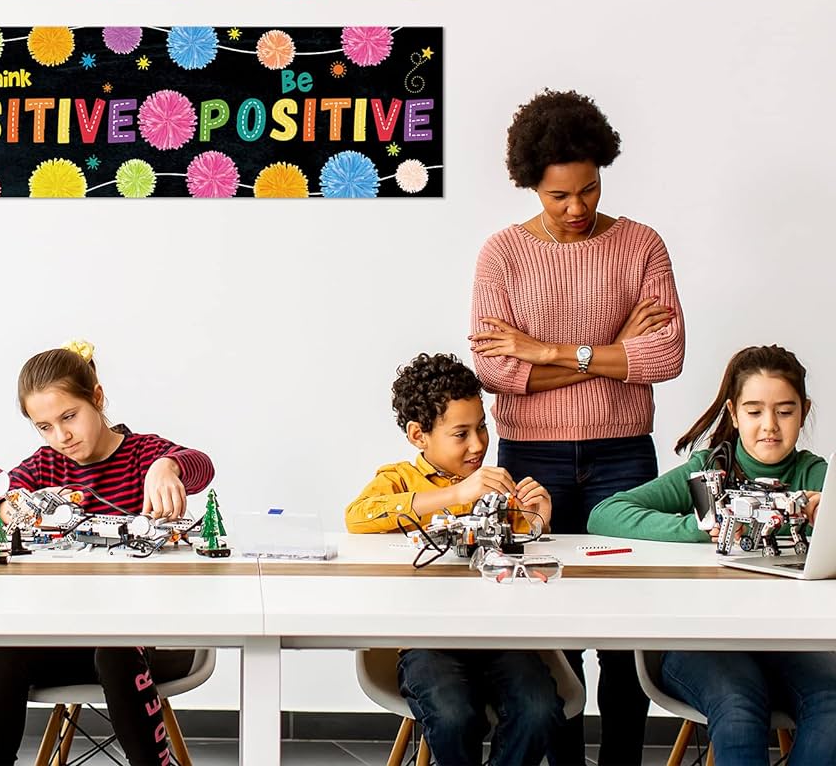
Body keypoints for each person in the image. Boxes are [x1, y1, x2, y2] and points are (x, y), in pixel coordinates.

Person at [468, 89, 686, 765]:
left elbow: (667, 356)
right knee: (550, 627)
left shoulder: (641, 244)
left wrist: (546, 351)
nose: (576, 209)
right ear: (531, 185)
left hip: (625, 457)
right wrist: (613, 350)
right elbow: (494, 370)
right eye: (558, 196)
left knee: (627, 628)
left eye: (588, 191)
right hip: (532, 457)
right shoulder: (502, 254)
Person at [0, 340, 215, 766]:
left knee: (115, 648)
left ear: (96, 398)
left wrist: (165, 466)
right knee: (5, 652)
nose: (61, 436)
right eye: (44, 426)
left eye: (69, 417)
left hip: (147, 641)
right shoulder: (45, 466)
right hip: (70, 636)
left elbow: (202, 465)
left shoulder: (142, 455)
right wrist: (4, 507)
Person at [588, 344, 836, 766]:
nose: (770, 426)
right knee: (739, 708)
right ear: (734, 414)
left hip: (787, 639)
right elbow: (605, 514)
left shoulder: (818, 476)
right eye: (755, 411)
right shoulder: (706, 472)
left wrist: (825, 516)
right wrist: (699, 528)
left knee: (831, 709)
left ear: (804, 411)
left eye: (785, 411)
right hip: (701, 638)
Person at [345, 352, 564, 766]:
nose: (479, 444)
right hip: (428, 643)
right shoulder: (398, 480)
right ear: (418, 435)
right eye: (460, 434)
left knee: (538, 710)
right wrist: (455, 495)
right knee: (452, 714)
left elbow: (524, 564)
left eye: (481, 427)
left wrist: (537, 525)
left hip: (501, 638)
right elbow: (358, 516)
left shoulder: (498, 485)